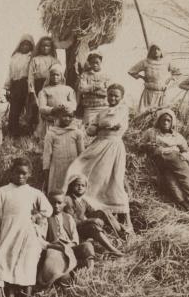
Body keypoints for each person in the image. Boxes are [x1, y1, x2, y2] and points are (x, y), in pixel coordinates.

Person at [64, 83, 133, 234]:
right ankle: (90, 209)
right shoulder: (102, 111)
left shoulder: (122, 109)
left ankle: (126, 222)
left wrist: (101, 126)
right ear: (106, 95)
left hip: (112, 146)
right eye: (110, 95)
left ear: (121, 98)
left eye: (116, 96)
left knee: (113, 181)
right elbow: (90, 130)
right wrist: (98, 127)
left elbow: (113, 124)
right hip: (98, 145)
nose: (113, 98)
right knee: (77, 167)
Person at [0, 158, 52, 297]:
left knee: (27, 271)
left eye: (24, 173)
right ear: (12, 172)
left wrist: (37, 216)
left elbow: (48, 210)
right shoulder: (3, 191)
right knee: (8, 272)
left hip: (28, 238)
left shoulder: (34, 193)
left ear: (29, 174)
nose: (20, 176)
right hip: (9, 236)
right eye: (17, 172)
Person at [150, 108, 189, 212]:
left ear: (172, 122)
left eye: (168, 120)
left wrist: (185, 156)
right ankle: (187, 207)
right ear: (159, 121)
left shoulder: (177, 136)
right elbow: (140, 144)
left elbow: (188, 150)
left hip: (177, 160)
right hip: (162, 163)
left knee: (186, 182)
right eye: (163, 120)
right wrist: (148, 146)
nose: (165, 122)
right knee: (172, 184)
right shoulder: (152, 133)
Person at [66, 175, 125, 257]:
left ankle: (122, 235)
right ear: (72, 186)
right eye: (77, 185)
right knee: (93, 226)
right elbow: (71, 222)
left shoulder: (82, 201)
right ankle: (113, 250)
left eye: (83, 185)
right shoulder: (68, 200)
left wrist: (105, 214)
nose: (80, 187)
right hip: (76, 230)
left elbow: (93, 213)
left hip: (83, 225)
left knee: (103, 212)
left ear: (86, 188)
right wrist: (91, 220)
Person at [41, 106, 86, 196]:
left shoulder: (77, 133)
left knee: (72, 192)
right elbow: (47, 155)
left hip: (72, 167)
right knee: (57, 194)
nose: (67, 118)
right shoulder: (51, 133)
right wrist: (46, 172)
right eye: (64, 116)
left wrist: (81, 169)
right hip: (57, 168)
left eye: (70, 116)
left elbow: (81, 153)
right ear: (57, 117)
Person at [128, 44, 180, 114]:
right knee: (145, 115)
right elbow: (131, 71)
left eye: (158, 49)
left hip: (161, 93)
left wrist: (170, 79)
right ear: (150, 51)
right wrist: (142, 77)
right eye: (153, 49)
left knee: (161, 115)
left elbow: (177, 72)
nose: (156, 51)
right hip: (148, 94)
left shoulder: (166, 62)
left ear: (161, 51)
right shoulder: (145, 62)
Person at [27, 36, 62, 135]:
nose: (45, 48)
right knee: (37, 107)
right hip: (38, 85)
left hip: (51, 86)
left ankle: (51, 131)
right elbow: (30, 77)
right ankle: (37, 132)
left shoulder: (54, 60)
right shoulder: (35, 60)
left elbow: (59, 74)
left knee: (50, 106)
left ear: (51, 47)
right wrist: (32, 91)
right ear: (39, 47)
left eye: (47, 46)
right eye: (43, 46)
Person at [35, 62, 77, 139]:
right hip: (50, 121)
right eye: (53, 75)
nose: (55, 77)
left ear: (61, 76)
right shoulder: (44, 91)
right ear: (49, 76)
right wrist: (53, 109)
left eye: (57, 75)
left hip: (65, 120)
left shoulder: (68, 89)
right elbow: (41, 108)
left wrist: (65, 107)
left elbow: (73, 104)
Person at [5, 34, 35, 139]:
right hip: (16, 85)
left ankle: (29, 134)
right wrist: (7, 87)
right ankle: (13, 133)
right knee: (14, 110)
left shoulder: (32, 56)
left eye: (28, 45)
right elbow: (10, 73)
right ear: (19, 45)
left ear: (31, 46)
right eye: (23, 44)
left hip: (27, 83)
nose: (25, 47)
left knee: (30, 109)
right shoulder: (15, 57)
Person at [77, 52, 110, 124]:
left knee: (102, 127)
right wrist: (96, 87)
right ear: (89, 63)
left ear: (101, 62)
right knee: (87, 128)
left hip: (103, 106)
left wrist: (89, 89)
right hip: (89, 107)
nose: (95, 64)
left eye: (97, 62)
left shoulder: (106, 75)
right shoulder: (85, 75)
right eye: (92, 62)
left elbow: (108, 91)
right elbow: (82, 89)